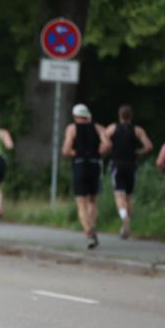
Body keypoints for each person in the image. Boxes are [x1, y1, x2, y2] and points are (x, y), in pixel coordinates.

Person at [62, 104, 110, 249]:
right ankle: (93, 226)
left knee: (81, 202)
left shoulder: (72, 128)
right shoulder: (98, 127)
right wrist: (99, 152)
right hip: (94, 165)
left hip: (80, 165)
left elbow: (66, 150)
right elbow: (107, 143)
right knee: (92, 200)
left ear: (75, 116)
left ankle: (89, 233)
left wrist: (75, 153)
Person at [105, 105, 154, 239]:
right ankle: (127, 226)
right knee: (128, 197)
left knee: (119, 195)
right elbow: (149, 146)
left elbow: (104, 143)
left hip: (117, 164)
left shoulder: (112, 128)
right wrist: (139, 152)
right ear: (131, 116)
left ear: (119, 116)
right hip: (131, 165)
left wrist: (109, 150)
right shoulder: (137, 130)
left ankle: (124, 218)